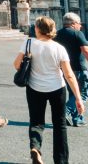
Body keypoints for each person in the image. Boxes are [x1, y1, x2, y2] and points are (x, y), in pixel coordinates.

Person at [16, 16, 85, 163]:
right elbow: (69, 75)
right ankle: (61, 160)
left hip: (34, 88)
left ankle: (35, 147)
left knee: (36, 121)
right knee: (60, 125)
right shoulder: (59, 48)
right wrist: (78, 98)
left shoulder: (28, 43)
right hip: (57, 88)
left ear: (37, 29)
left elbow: (16, 65)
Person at [55, 13, 88, 127]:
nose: (80, 26)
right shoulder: (77, 33)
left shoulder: (57, 34)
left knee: (73, 93)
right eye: (79, 24)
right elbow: (85, 50)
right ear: (73, 24)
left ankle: (77, 118)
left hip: (65, 68)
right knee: (82, 93)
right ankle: (64, 112)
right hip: (79, 68)